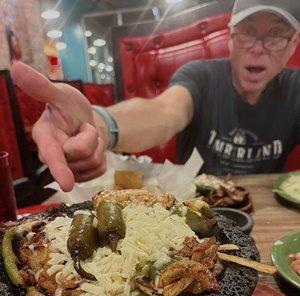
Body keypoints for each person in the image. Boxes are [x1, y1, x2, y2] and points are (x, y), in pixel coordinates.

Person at [11, 0, 300, 192]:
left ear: (292, 45)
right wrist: (98, 125)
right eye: (248, 32)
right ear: (231, 38)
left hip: (270, 214)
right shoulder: (201, 76)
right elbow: (164, 112)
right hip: (198, 209)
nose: (259, 48)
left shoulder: (296, 88)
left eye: (276, 35)